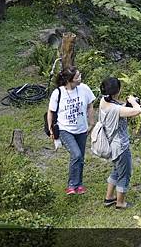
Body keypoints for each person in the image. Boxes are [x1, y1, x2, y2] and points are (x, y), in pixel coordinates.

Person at [47, 66, 96, 195]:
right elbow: (51, 112)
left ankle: (79, 184)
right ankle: (71, 185)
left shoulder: (84, 89)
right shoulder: (58, 93)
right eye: (77, 76)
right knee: (76, 154)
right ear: (70, 80)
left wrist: (91, 123)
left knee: (80, 157)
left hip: (81, 129)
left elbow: (90, 106)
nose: (80, 78)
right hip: (65, 129)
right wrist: (51, 130)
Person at [99, 77, 141, 209]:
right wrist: (134, 102)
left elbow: (119, 108)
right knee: (125, 174)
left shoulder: (103, 101)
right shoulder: (116, 109)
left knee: (117, 170)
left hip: (111, 144)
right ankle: (120, 203)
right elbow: (137, 111)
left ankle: (109, 198)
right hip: (120, 146)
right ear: (117, 91)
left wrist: (127, 105)